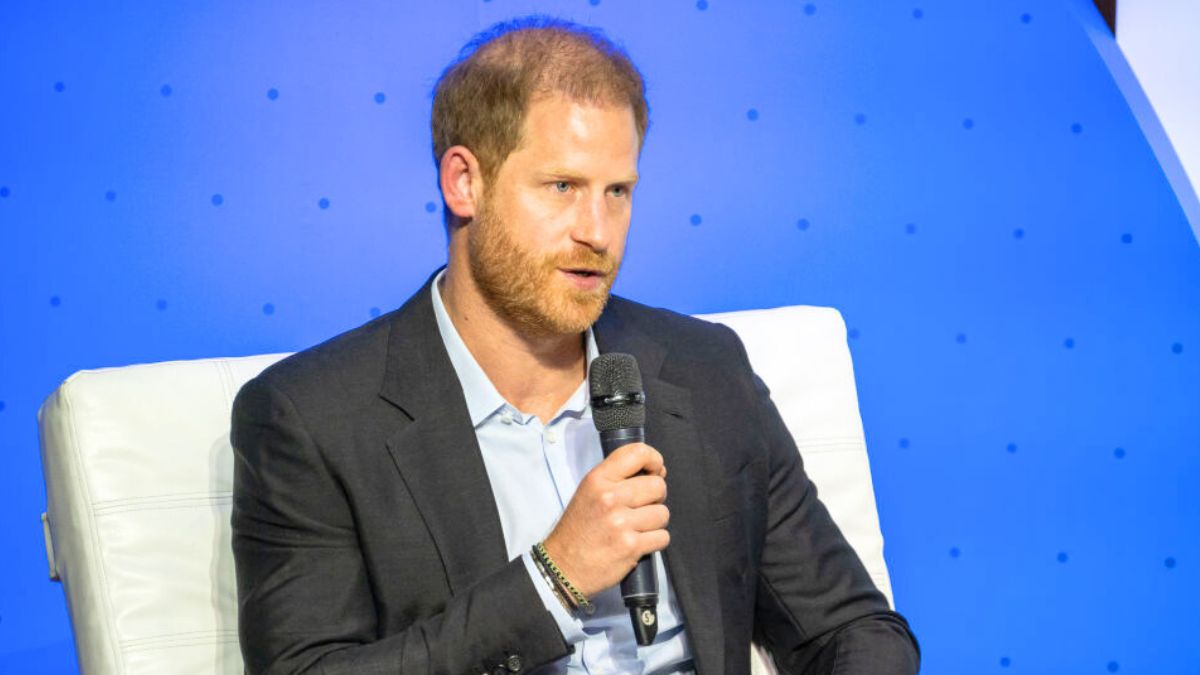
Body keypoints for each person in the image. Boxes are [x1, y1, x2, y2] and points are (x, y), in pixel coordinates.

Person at [231, 16, 920, 675]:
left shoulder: (704, 369)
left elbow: (852, 630)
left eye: (618, 191)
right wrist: (552, 578)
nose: (598, 230)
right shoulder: (312, 418)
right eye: (562, 186)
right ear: (463, 181)